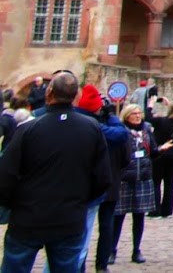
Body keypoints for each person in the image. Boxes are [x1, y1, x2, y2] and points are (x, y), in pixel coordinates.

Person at [0, 72, 111, 273]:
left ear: (48, 93)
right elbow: (102, 178)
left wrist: (13, 205)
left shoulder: (29, 129)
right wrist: (80, 201)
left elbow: (6, 176)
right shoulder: (91, 129)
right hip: (69, 218)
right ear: (75, 96)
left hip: (29, 217)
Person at [96, 103, 157, 271]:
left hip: (143, 177)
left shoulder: (147, 130)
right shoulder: (121, 132)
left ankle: (136, 250)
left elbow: (152, 149)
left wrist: (159, 150)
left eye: (139, 113)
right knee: (118, 217)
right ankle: (112, 250)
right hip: (124, 178)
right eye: (134, 114)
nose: (138, 116)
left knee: (139, 216)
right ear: (127, 116)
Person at [152, 102, 173, 218]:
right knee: (170, 184)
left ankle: (155, 210)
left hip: (160, 154)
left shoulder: (161, 121)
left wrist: (150, 105)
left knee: (156, 182)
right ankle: (167, 210)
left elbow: (147, 117)